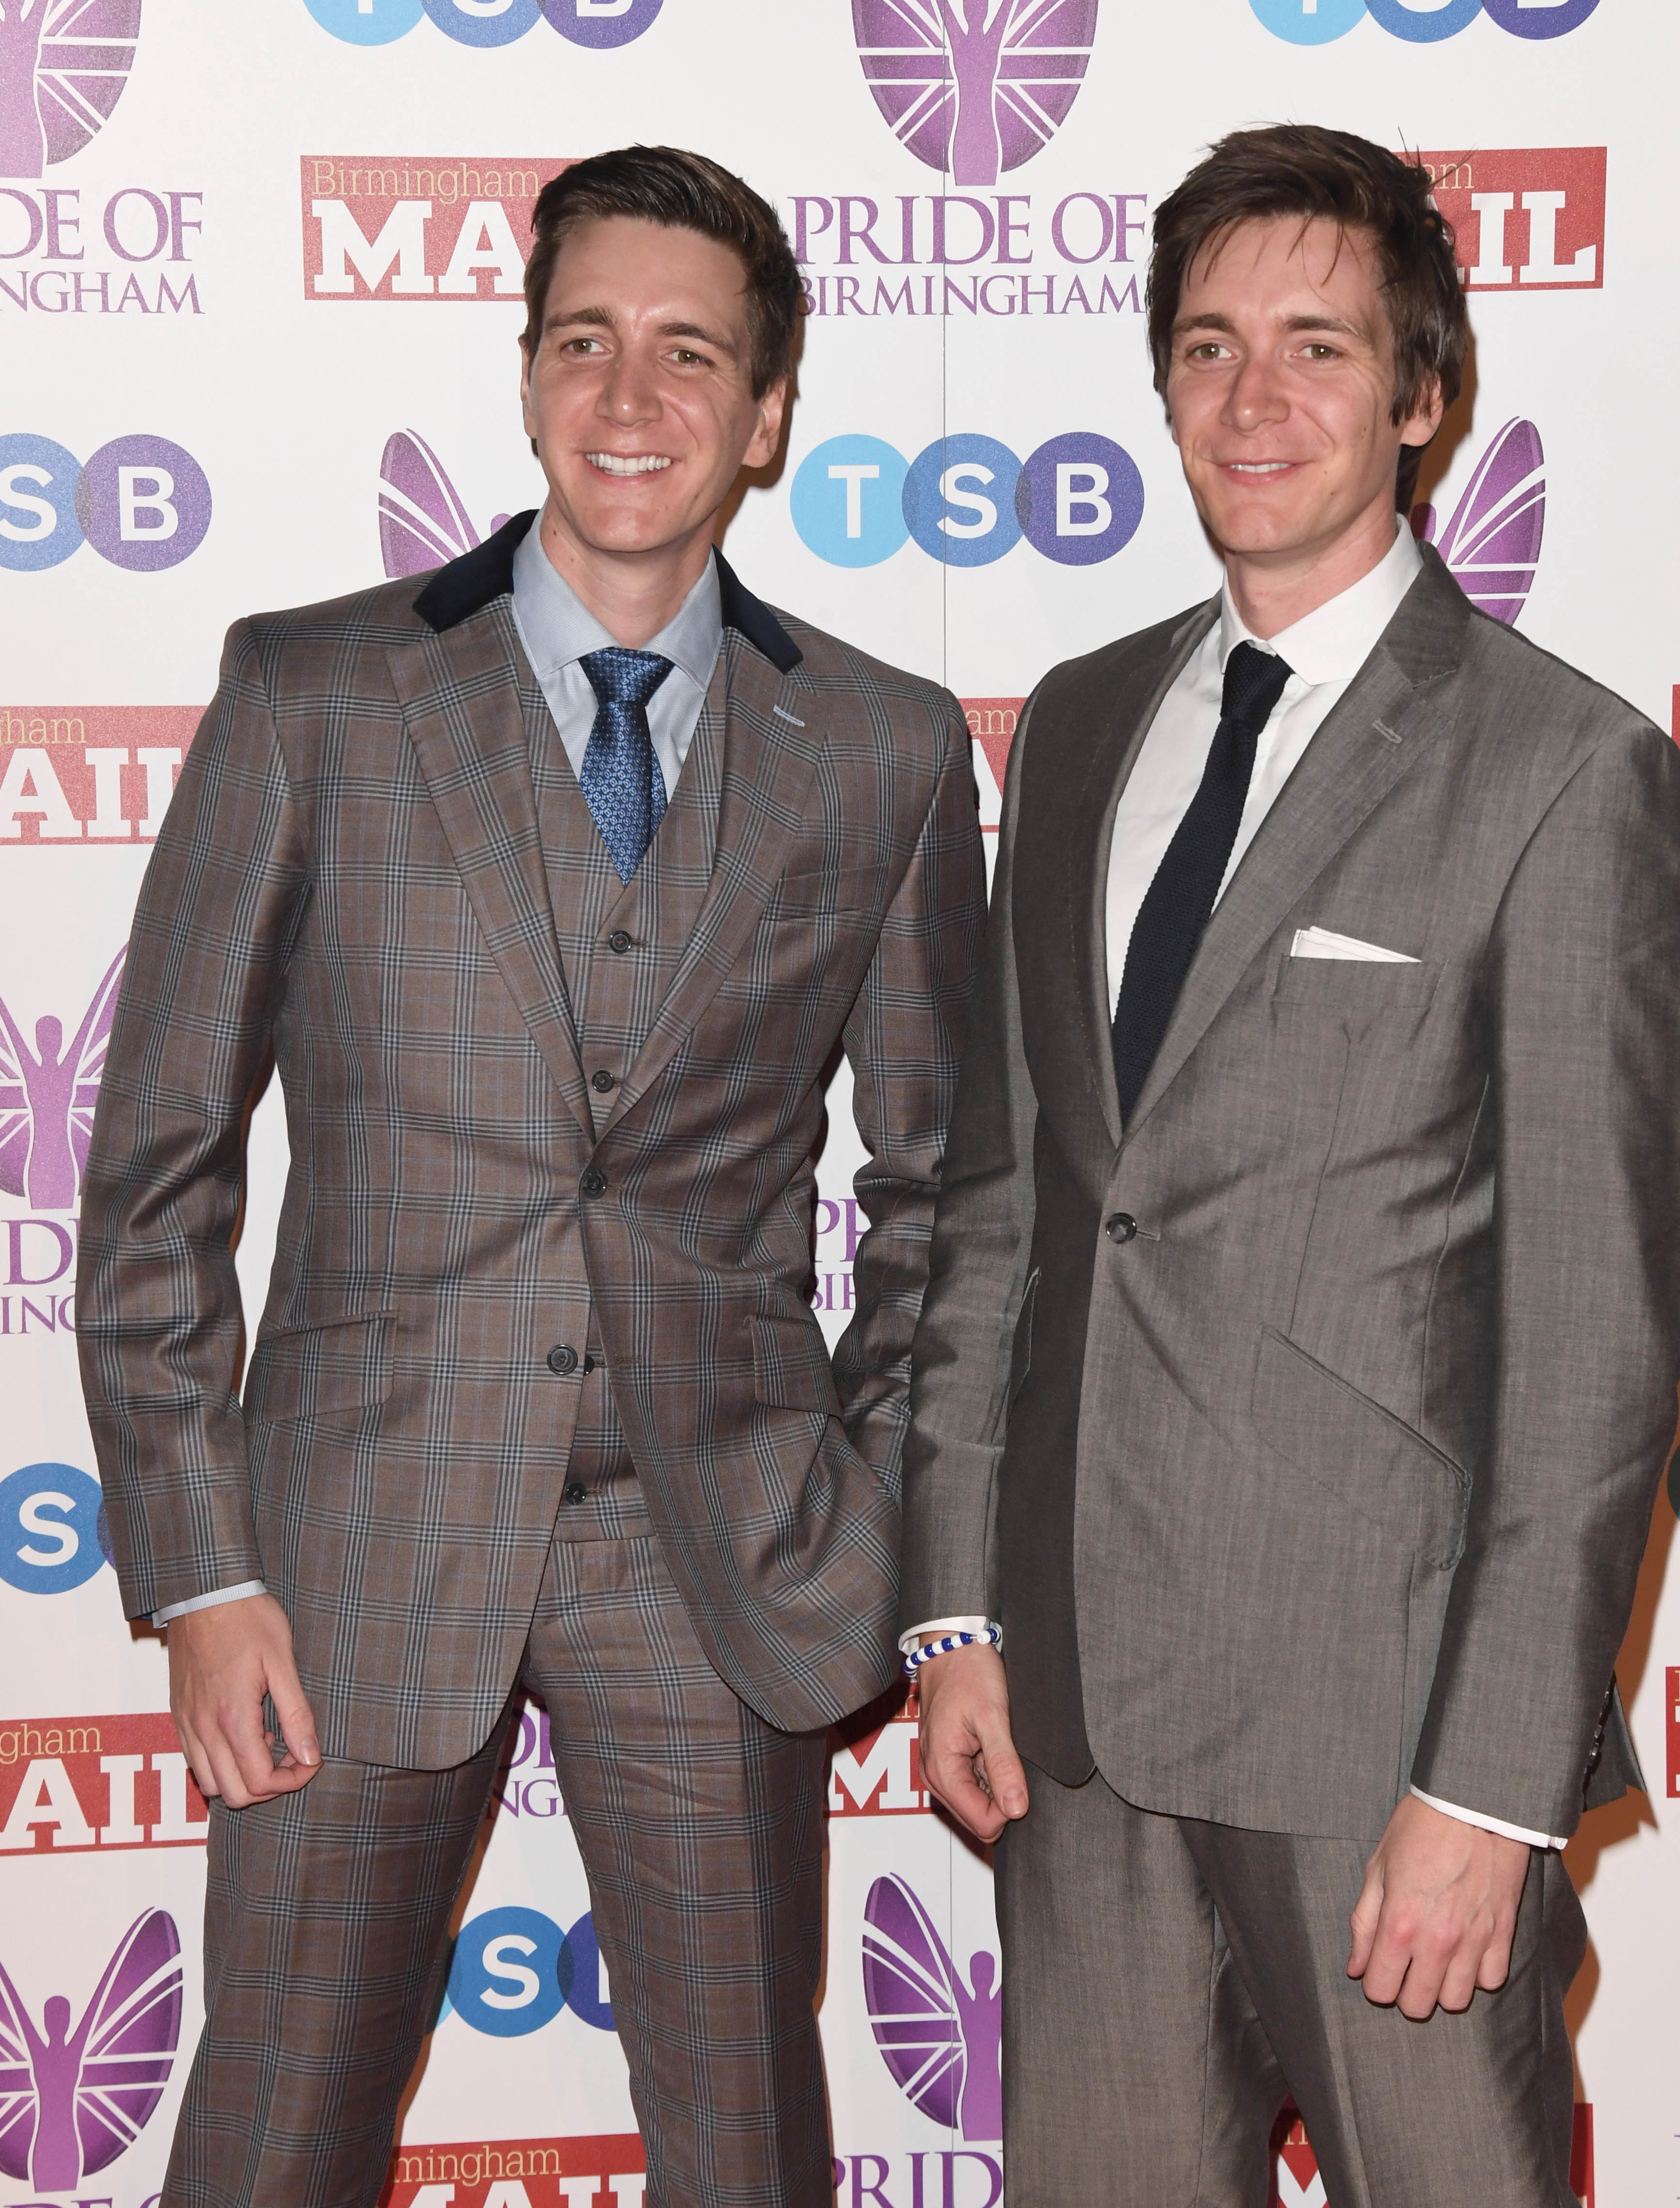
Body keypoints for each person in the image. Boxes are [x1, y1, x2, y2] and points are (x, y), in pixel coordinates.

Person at [76, 144, 984, 2208]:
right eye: (585, 341)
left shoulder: (885, 747)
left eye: (689, 354)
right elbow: (153, 1172)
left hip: (717, 1559)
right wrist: (203, 1567)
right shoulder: (313, 692)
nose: (630, 397)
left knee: (746, 2156)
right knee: (271, 2143)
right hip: (347, 1559)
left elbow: (944, 1193)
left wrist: (852, 1508)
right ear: (525, 373)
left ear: (766, 415)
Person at [899, 123, 1680, 2207]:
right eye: (1208, 347)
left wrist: (1493, 1786)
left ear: (1424, 396)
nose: (1254, 402)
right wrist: (957, 1607)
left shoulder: (1566, 770)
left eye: (1320, 348)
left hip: (1384, 1738)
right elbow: (1008, 1205)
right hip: (1072, 1726)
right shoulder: (1077, 722)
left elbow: (1599, 1349)